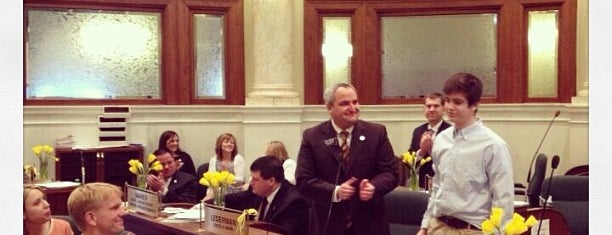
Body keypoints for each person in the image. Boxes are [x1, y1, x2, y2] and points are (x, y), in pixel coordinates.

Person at [295, 83, 399, 235]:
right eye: (344, 103)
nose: (353, 108)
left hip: (369, 224)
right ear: (329, 108)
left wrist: (374, 187)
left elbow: (391, 173)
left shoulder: (376, 133)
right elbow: (304, 181)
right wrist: (336, 191)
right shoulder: (312, 137)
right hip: (328, 225)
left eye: (355, 102)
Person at [417, 72, 514, 235]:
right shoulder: (441, 139)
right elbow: (437, 185)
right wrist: (425, 225)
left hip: (472, 229)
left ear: (474, 105)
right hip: (438, 226)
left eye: (457, 102)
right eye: (447, 100)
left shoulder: (493, 146)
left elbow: (503, 200)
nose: (449, 107)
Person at [225, 156, 309, 235]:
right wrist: (216, 201)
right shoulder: (257, 191)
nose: (251, 183)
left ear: (271, 181)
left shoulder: (295, 203)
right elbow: (233, 199)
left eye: (255, 179)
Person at [408, 92, 451, 188]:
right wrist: (422, 151)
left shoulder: (451, 132)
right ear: (424, 109)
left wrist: (432, 150)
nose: (432, 109)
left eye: (436, 106)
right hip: (421, 185)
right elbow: (409, 162)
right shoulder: (418, 131)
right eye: (428, 106)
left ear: (444, 108)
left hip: (443, 185)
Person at [205, 133, 246, 200]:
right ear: (220, 144)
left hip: (234, 192)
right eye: (226, 142)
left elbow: (240, 180)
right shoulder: (213, 159)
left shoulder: (238, 158)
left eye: (232, 143)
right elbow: (211, 179)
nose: (229, 144)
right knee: (208, 198)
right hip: (217, 191)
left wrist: (225, 176)